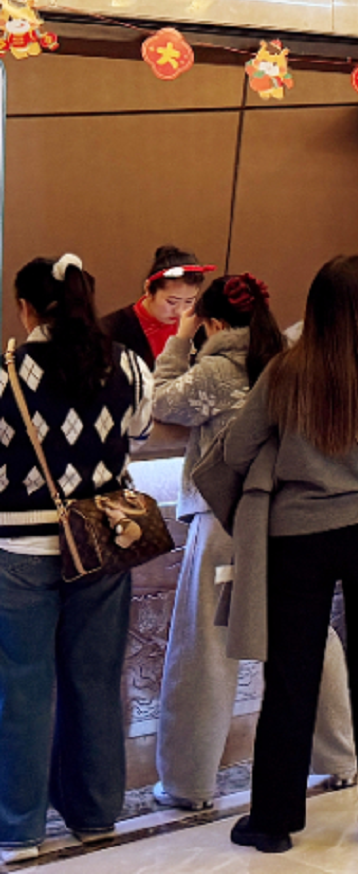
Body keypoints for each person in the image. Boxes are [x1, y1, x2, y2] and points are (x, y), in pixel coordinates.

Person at [214, 255, 358, 852]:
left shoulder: (284, 371)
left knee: (290, 678)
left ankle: (273, 821)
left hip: (295, 538)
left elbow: (235, 448)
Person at [151, 272, 358, 813]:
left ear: (214, 323)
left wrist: (179, 340)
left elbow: (161, 403)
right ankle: (339, 758)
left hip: (224, 519)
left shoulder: (217, 370)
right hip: (290, 514)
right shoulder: (291, 361)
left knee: (205, 646)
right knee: (309, 634)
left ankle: (189, 782)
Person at [0, 256, 153, 865]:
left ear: (27, 309)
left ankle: (19, 826)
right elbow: (141, 428)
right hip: (100, 544)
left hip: (20, 549)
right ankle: (94, 816)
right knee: (94, 682)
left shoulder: (8, 372)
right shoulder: (127, 364)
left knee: (22, 688)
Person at [102, 245, 212, 369]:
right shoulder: (113, 330)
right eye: (172, 302)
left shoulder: (198, 327)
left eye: (189, 301)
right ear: (149, 289)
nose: (180, 311)